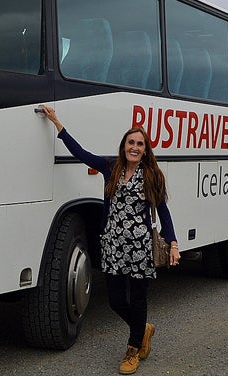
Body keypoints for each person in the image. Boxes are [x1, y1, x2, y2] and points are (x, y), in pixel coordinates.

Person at [40, 105, 180, 375]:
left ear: (145, 149)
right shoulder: (111, 167)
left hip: (140, 248)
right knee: (116, 300)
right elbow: (81, 154)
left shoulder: (152, 175)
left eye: (140, 144)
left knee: (138, 300)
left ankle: (132, 348)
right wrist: (58, 124)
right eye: (131, 142)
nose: (135, 147)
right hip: (113, 245)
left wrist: (173, 244)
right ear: (124, 145)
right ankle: (143, 329)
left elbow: (163, 210)